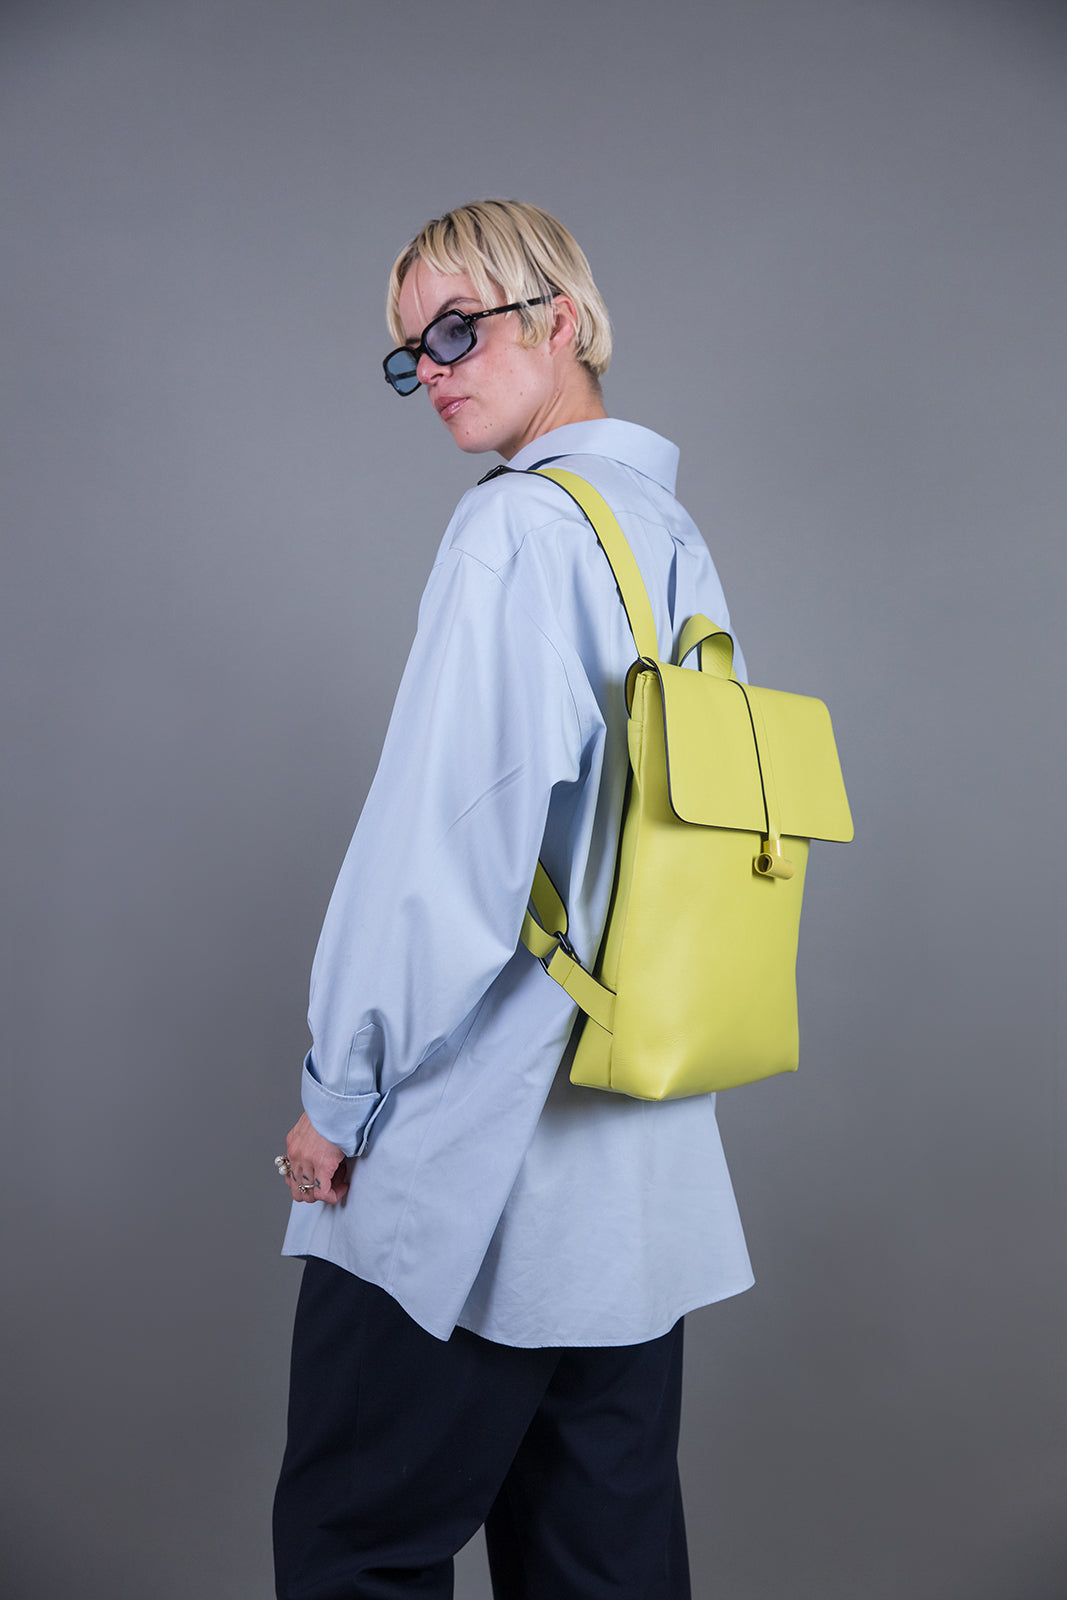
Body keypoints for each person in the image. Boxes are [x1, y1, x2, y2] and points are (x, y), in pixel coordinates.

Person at [273, 199, 754, 1600]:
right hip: (633, 1163)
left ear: (563, 318)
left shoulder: (515, 534)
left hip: (474, 1153)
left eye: (456, 330)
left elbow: (445, 858)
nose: (430, 371)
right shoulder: (662, 530)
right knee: (601, 1567)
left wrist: (339, 1095)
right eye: (409, 353)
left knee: (359, 1547)